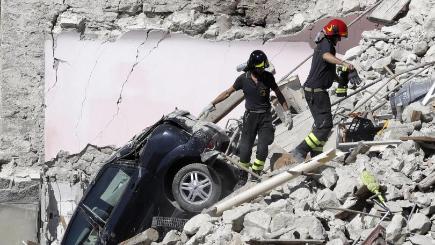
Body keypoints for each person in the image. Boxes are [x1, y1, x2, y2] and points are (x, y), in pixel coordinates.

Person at [202, 50, 292, 177]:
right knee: (244, 150)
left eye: (263, 68)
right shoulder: (242, 79)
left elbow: (278, 94)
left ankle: (256, 173)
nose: (262, 70)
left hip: (265, 118)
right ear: (252, 66)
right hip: (250, 118)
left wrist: (287, 112)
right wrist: (212, 104)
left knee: (262, 148)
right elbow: (228, 92)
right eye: (259, 68)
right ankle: (243, 176)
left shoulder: (268, 77)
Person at [291, 19, 355, 161]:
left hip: (314, 91)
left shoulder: (324, 43)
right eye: (339, 37)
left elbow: (329, 72)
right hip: (316, 92)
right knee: (325, 126)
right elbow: (326, 56)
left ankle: (316, 155)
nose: (339, 40)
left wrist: (341, 80)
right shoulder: (326, 44)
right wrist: (345, 63)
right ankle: (300, 151)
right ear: (333, 33)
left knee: (321, 126)